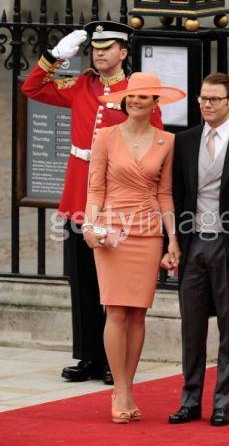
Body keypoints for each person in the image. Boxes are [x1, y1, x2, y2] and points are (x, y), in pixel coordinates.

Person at [22, 21, 163, 385]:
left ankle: (113, 361)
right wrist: (53, 57)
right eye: (95, 48)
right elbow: (31, 87)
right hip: (78, 193)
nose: (99, 53)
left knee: (113, 283)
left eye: (108, 47)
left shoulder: (136, 91)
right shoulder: (81, 84)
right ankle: (89, 356)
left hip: (118, 196)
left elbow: (155, 140)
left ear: (123, 52)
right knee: (82, 279)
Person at [163, 73, 229, 426]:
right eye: (202, 99)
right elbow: (179, 196)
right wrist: (175, 242)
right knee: (191, 328)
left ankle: (222, 403)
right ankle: (190, 400)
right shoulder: (185, 140)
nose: (206, 104)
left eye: (213, 99)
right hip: (194, 241)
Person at [82, 72, 185, 423]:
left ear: (155, 102)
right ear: (124, 100)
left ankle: (127, 384)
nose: (136, 101)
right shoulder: (105, 136)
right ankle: (121, 390)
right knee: (116, 311)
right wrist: (89, 225)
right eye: (131, 96)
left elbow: (165, 193)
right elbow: (95, 189)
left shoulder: (167, 142)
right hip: (111, 232)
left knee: (139, 313)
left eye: (144, 97)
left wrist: (172, 238)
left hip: (148, 231)